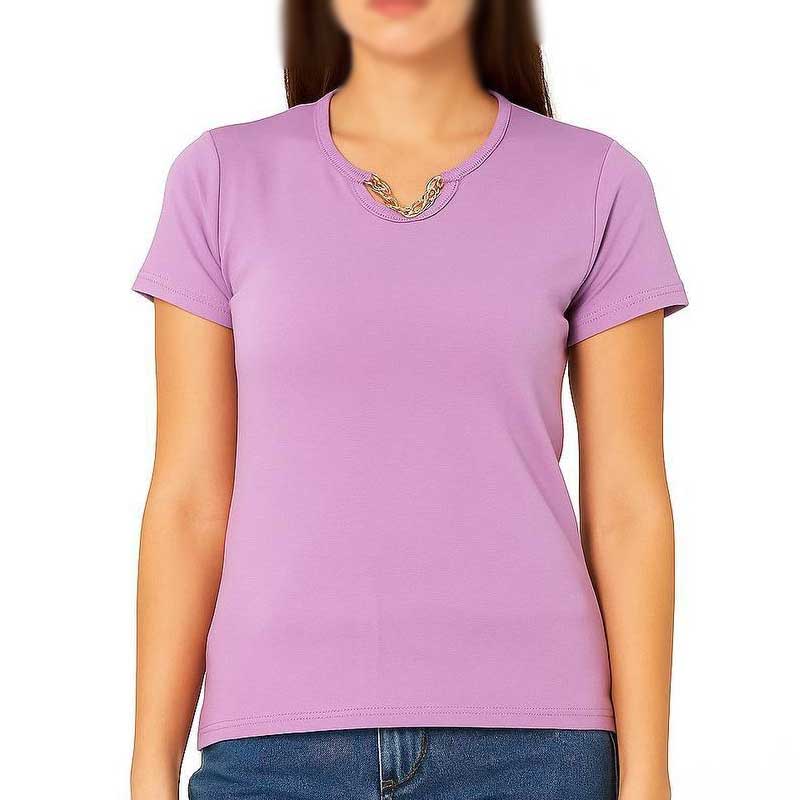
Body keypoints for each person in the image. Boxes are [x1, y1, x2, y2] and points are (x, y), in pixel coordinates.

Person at [130, 2, 687, 798]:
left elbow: (628, 504)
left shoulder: (597, 181)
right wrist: (149, 769)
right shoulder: (220, 176)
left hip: (537, 751)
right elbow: (188, 501)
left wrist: (649, 775)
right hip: (271, 753)